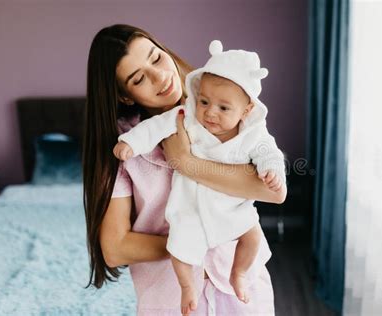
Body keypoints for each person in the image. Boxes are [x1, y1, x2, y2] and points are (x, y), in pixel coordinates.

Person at [83, 24, 287, 316]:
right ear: (125, 96)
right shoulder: (122, 150)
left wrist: (187, 164)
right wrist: (190, 241)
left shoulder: (224, 103)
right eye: (139, 78)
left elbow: (273, 191)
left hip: (240, 288)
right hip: (172, 299)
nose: (160, 77)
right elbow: (116, 248)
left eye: (156, 58)